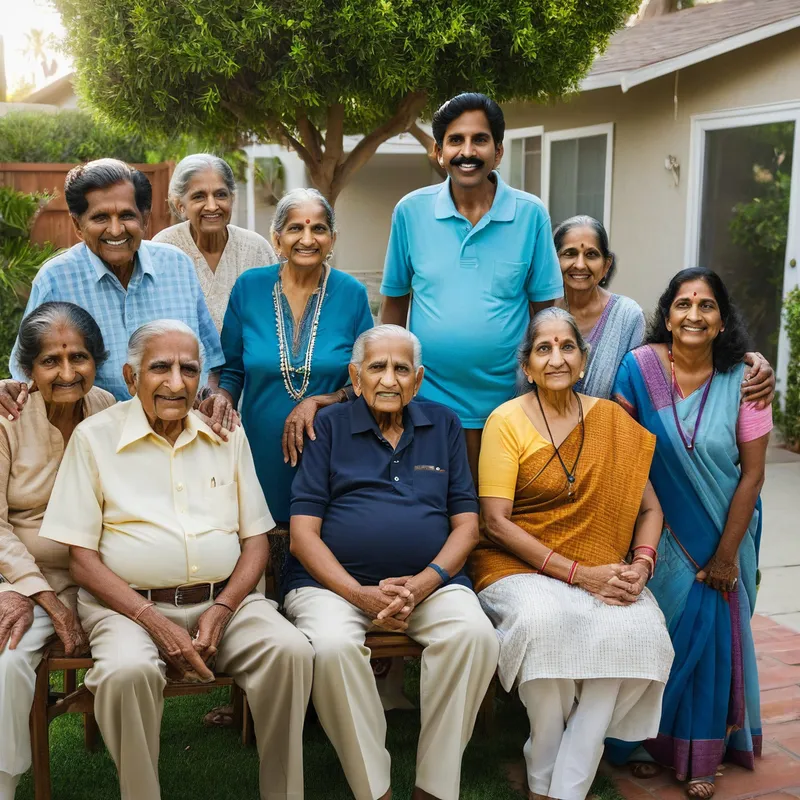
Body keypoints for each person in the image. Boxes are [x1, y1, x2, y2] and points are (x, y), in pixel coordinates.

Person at [38, 320, 313, 800]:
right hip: (126, 607)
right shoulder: (94, 438)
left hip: (225, 601)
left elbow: (257, 542)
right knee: (128, 672)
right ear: (130, 377)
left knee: (290, 651)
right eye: (159, 368)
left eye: (189, 369)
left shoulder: (226, 435)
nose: (176, 382)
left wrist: (224, 607)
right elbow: (81, 560)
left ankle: (284, 793)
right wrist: (153, 621)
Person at [284, 325, 499, 800]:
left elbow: (467, 525)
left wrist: (425, 583)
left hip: (430, 586)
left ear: (418, 379)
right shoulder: (329, 428)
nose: (389, 379)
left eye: (401, 368)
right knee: (335, 645)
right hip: (332, 588)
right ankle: (373, 790)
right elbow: (302, 536)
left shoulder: (442, 424)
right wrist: (358, 593)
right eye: (377, 367)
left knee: (475, 636)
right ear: (355, 377)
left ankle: (435, 788)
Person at [474, 307, 674, 800]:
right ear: (528, 366)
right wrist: (579, 574)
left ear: (583, 361)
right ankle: (545, 767)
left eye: (567, 347)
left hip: (605, 563)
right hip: (517, 565)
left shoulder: (610, 420)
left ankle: (563, 784)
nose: (556, 358)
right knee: (544, 628)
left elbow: (652, 509)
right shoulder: (506, 421)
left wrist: (642, 566)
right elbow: (495, 522)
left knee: (636, 632)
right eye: (544, 348)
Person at [610, 268, 771, 798]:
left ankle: (700, 752)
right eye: (683, 304)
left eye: (706, 306)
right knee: (658, 638)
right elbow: (620, 452)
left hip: (725, 534)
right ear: (668, 313)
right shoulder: (638, 369)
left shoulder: (745, 379)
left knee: (711, 639)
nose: (694, 315)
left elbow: (752, 474)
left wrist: (726, 556)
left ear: (723, 321)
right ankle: (644, 740)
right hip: (658, 532)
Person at [380, 93, 563, 478]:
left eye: (480, 140)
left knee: (497, 513)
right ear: (438, 151)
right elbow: (394, 306)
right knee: (437, 510)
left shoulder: (530, 215)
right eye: (456, 140)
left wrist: (541, 388)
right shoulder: (410, 212)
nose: (468, 151)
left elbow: (547, 314)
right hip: (426, 401)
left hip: (509, 402)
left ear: (498, 152)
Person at [0, 159, 233, 432]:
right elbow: (28, 373)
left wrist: (213, 398)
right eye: (100, 218)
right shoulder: (56, 279)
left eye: (126, 215)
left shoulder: (177, 266)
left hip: (181, 438)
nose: (115, 229)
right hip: (95, 448)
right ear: (77, 225)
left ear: (144, 219)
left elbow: (213, 364)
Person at [0, 303, 114, 800]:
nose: (67, 372)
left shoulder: (109, 410)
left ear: (97, 361)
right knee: (6, 659)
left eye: (79, 358)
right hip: (25, 577)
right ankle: (5, 781)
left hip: (104, 578)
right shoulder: (8, 414)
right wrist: (36, 594)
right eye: (51, 360)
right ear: (27, 369)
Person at [213, 187, 373, 524]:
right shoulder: (249, 288)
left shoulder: (352, 293)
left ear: (332, 238)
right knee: (261, 547)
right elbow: (231, 371)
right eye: (295, 228)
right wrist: (222, 399)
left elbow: (366, 378)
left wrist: (320, 401)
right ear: (277, 238)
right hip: (259, 450)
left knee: (320, 550)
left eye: (318, 228)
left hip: (330, 451)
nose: (307, 238)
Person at [553, 215, 776, 404]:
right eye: (570, 253)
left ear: (606, 264)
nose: (580, 264)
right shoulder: (539, 311)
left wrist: (748, 362)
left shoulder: (626, 316)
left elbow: (660, 365)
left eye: (591, 254)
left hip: (607, 445)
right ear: (553, 259)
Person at [153, 154, 276, 332]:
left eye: (220, 195)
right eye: (199, 197)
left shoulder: (256, 249)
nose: (212, 206)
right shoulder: (163, 249)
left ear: (232, 199)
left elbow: (274, 317)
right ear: (180, 205)